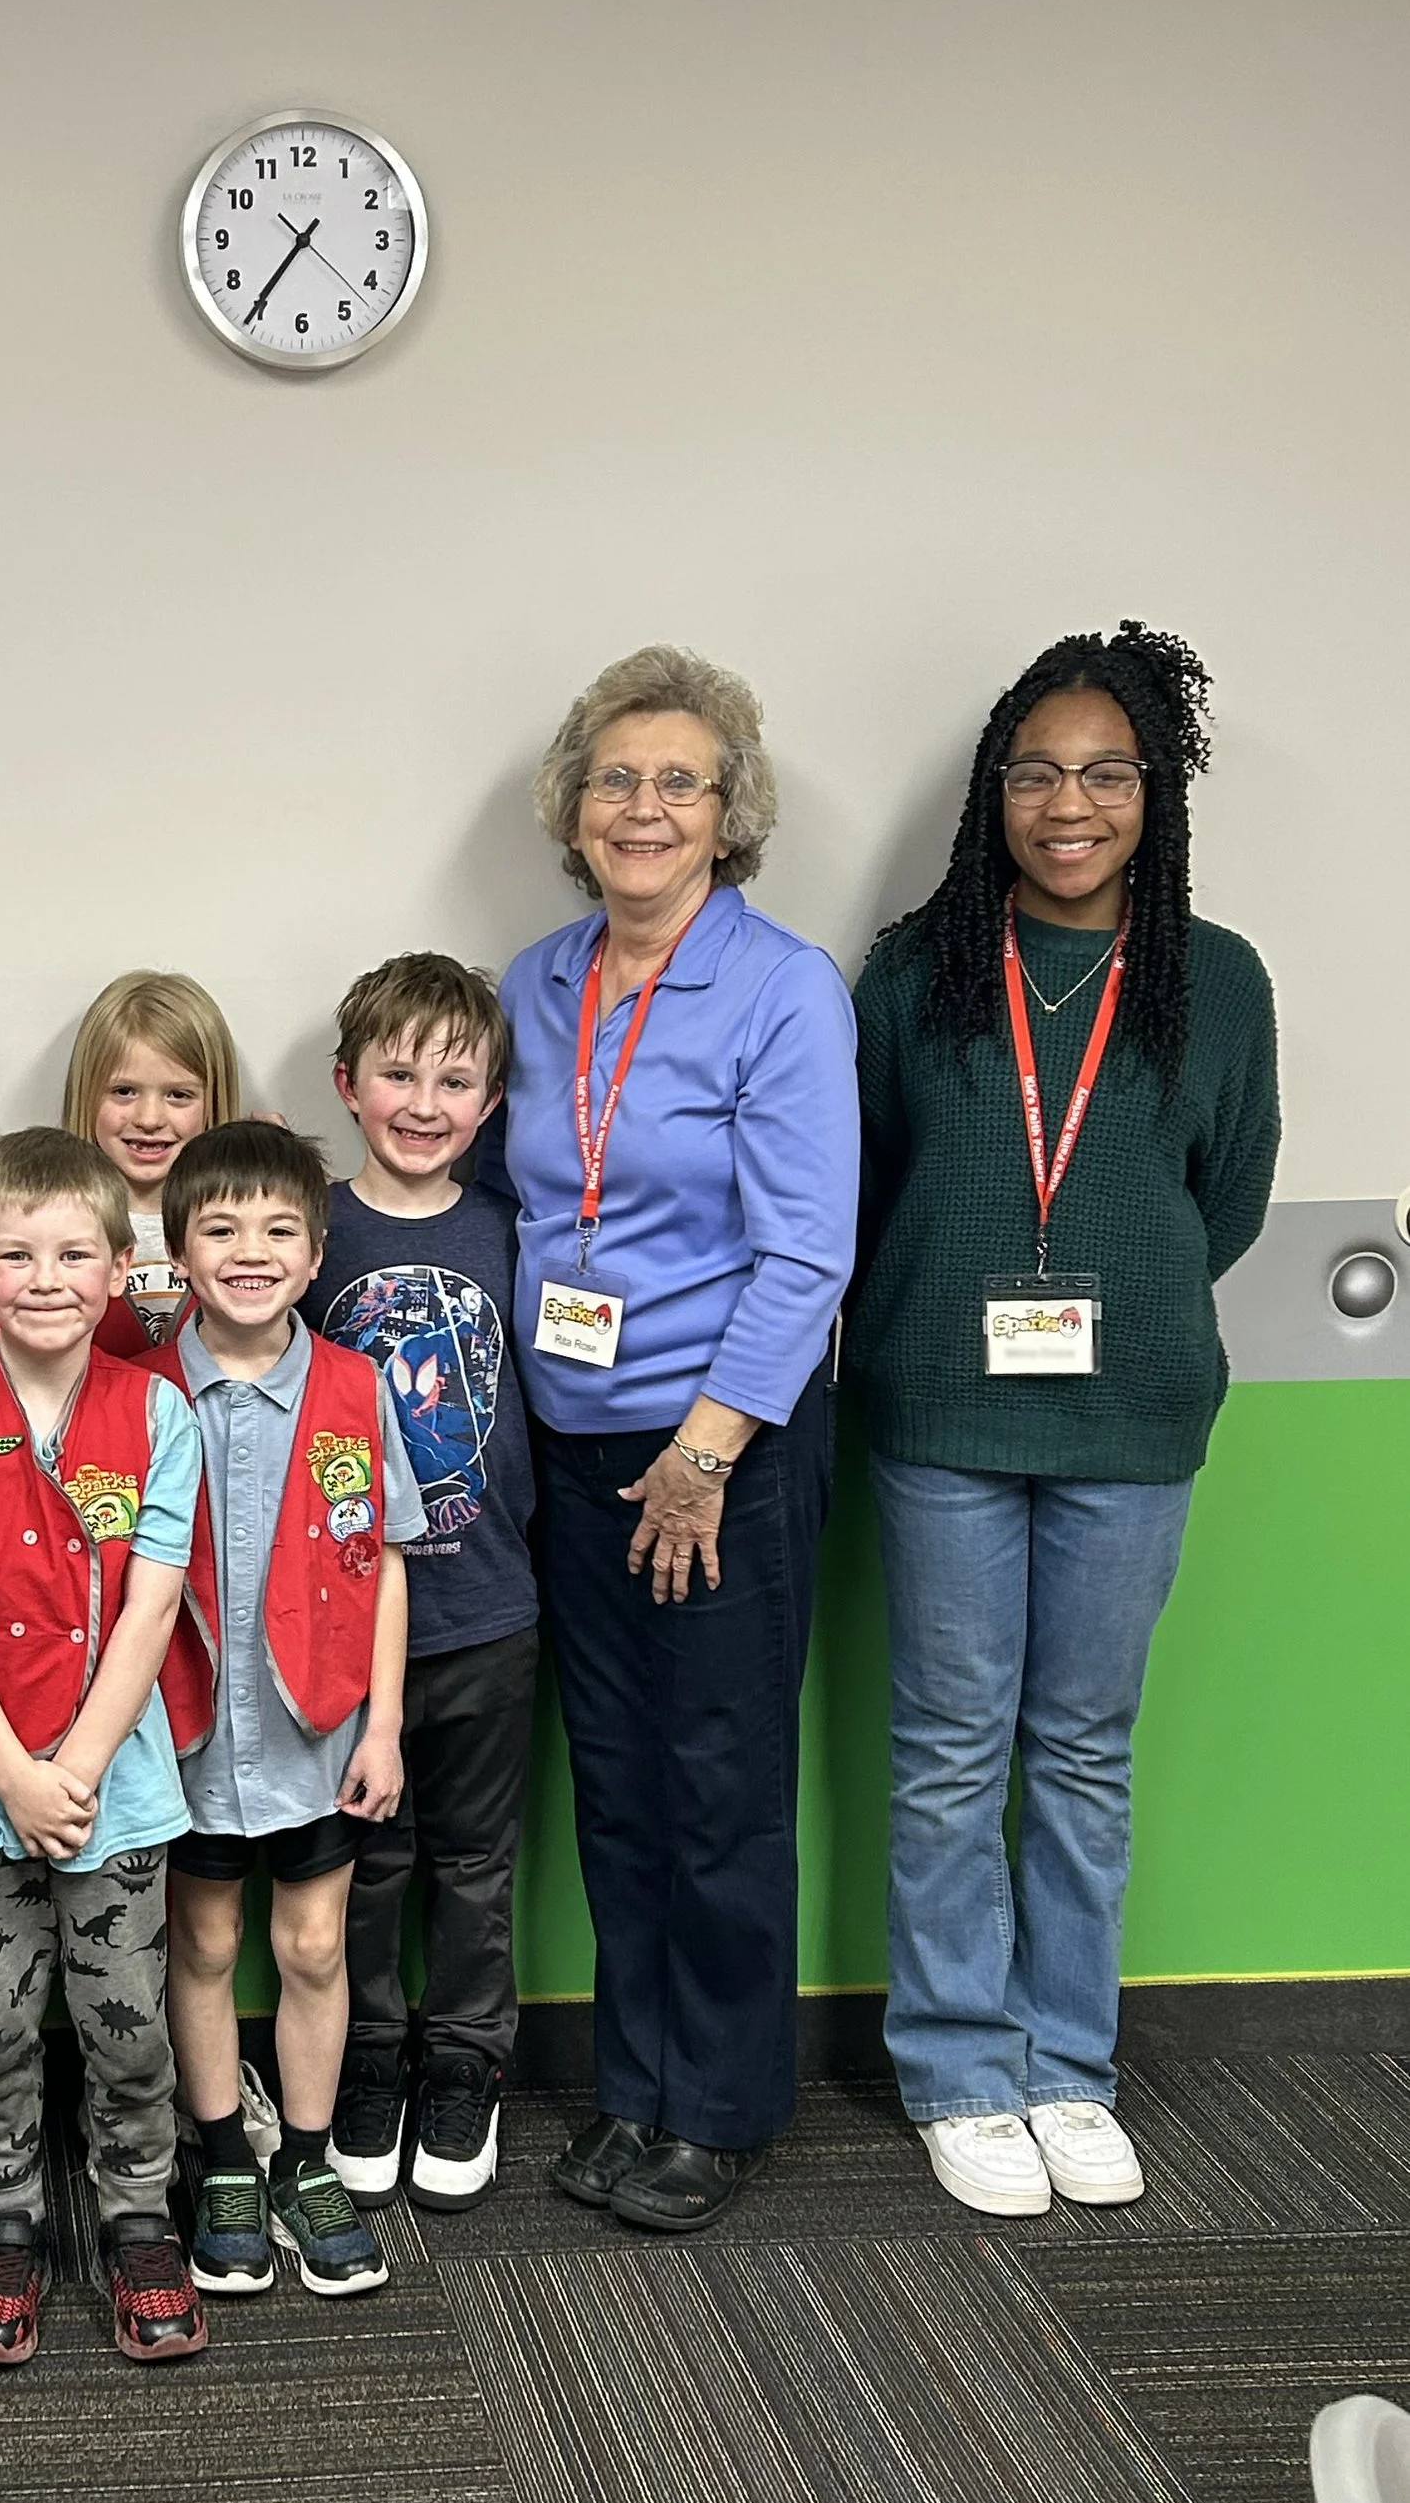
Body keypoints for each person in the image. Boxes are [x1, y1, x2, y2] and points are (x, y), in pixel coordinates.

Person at [848, 622, 1278, 2216]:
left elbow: (1219, 1205)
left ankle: (1068, 2063)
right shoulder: (916, 970)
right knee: (953, 1750)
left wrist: (1121, 1295)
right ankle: (963, 2065)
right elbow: (879, 1179)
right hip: (941, 1413)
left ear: (1153, 795)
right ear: (994, 790)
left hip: (1136, 1414)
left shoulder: (1216, 981)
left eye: (1108, 771)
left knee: (1084, 1751)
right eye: (1037, 770)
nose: (1070, 800)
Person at [489, 645, 857, 2234]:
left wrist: (704, 1450)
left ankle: (715, 2105)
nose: (644, 806)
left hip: (724, 1449)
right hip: (572, 1443)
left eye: (679, 781)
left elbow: (806, 1250)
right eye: (617, 778)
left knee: (718, 1780)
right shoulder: (537, 981)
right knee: (621, 1784)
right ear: (575, 810)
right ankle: (634, 2082)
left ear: (729, 814)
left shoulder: (780, 988)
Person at [0, 1126, 207, 2368]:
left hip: (116, 1793)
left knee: (126, 2022)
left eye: (76, 1253)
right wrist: (14, 1775)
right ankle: (3, 2212)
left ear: (120, 1267)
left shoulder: (156, 1413)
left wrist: (76, 1768)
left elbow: (153, 1604)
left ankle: (135, 2213)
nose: (48, 1276)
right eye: (17, 1254)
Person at [158, 1122, 422, 2301]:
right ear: (178, 1252)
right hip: (189, 1737)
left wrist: (383, 1726)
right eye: (220, 1229)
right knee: (205, 1942)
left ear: (315, 1256)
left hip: (320, 1730)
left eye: (276, 1232)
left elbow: (390, 1560)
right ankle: (224, 2159)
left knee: (315, 1947)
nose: (249, 1252)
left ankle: (306, 2164)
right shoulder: (142, 1394)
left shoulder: (355, 1390)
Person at [304, 956, 538, 2212]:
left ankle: (465, 2066)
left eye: (456, 1078)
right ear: (347, 1084)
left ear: (494, 1098)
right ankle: (369, 2062)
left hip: (489, 1607)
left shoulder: (513, 1229)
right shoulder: (309, 1229)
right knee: (367, 1860)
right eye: (398, 1071)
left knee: (473, 1862)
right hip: (347, 1622)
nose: (424, 1099)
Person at [61, 968, 242, 1356]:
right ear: (86, 1094)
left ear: (213, 1101)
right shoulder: (54, 1218)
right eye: (124, 1091)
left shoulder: (249, 1220)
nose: (148, 1119)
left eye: (178, 1095)